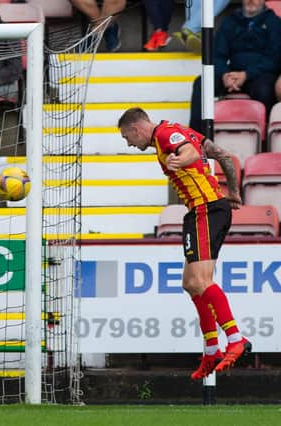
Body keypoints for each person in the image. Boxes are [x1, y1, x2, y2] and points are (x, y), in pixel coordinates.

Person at [117, 107, 252, 380]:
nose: (129, 143)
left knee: (201, 281)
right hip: (206, 209)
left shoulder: (166, 134)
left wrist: (181, 159)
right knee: (190, 283)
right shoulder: (176, 130)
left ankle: (236, 339)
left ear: (136, 128)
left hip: (205, 209)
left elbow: (188, 150)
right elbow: (224, 155)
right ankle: (212, 349)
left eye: (126, 137)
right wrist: (234, 193)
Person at [188, 0, 281, 134]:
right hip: (231, 74)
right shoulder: (230, 21)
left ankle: (264, 140)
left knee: (265, 90)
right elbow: (217, 54)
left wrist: (247, 74)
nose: (251, 0)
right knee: (202, 84)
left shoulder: (274, 22)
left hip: (259, 75)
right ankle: (196, 138)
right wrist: (224, 74)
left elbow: (274, 59)